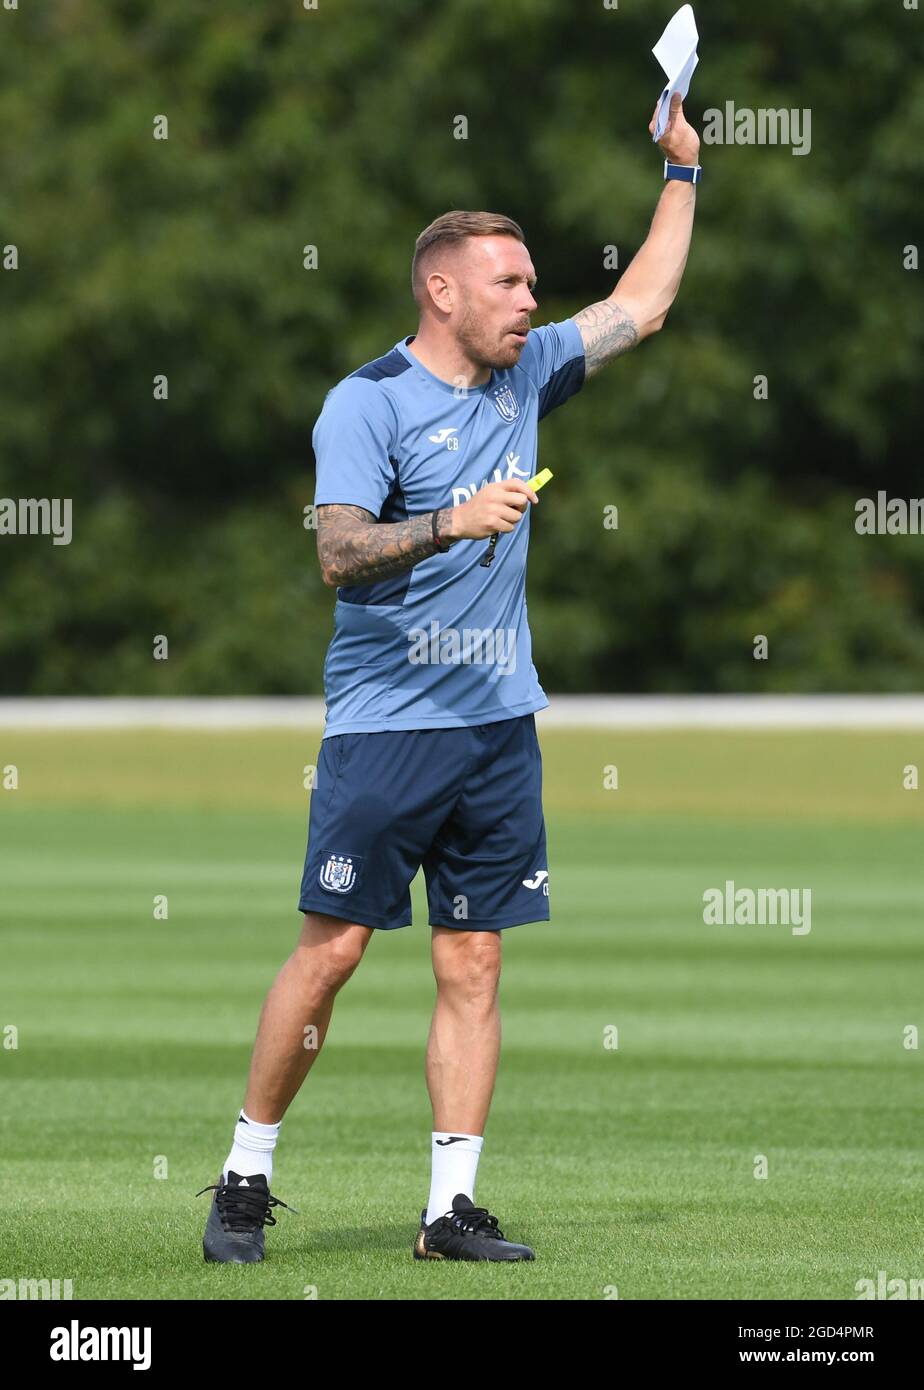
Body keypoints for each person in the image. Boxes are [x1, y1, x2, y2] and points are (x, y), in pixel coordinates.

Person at [198, 93, 700, 1264]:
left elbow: (644, 305)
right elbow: (336, 553)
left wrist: (684, 172)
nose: (533, 300)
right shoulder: (366, 402)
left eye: (533, 285)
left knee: (474, 958)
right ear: (444, 290)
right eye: (512, 283)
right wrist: (449, 522)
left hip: (497, 726)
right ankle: (244, 1176)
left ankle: (448, 1212)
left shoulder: (527, 382)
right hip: (387, 730)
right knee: (333, 952)